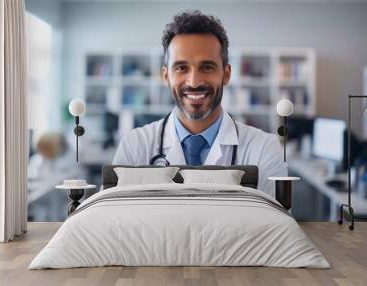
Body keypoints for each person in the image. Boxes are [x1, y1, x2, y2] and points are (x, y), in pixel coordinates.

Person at [113, 10, 287, 197]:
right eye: (181, 68)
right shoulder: (134, 146)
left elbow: (274, 223)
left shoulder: (264, 149)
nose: (194, 82)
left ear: (226, 74)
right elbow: (109, 221)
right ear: (166, 76)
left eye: (207, 67)